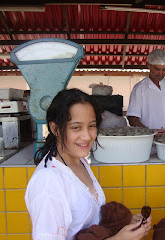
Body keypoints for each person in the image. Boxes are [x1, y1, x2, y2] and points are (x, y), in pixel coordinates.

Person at [25, 89, 151, 240]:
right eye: (76, 127)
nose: (86, 136)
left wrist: (124, 226)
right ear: (55, 128)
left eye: (91, 126)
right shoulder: (48, 182)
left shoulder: (81, 162)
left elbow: (91, 223)